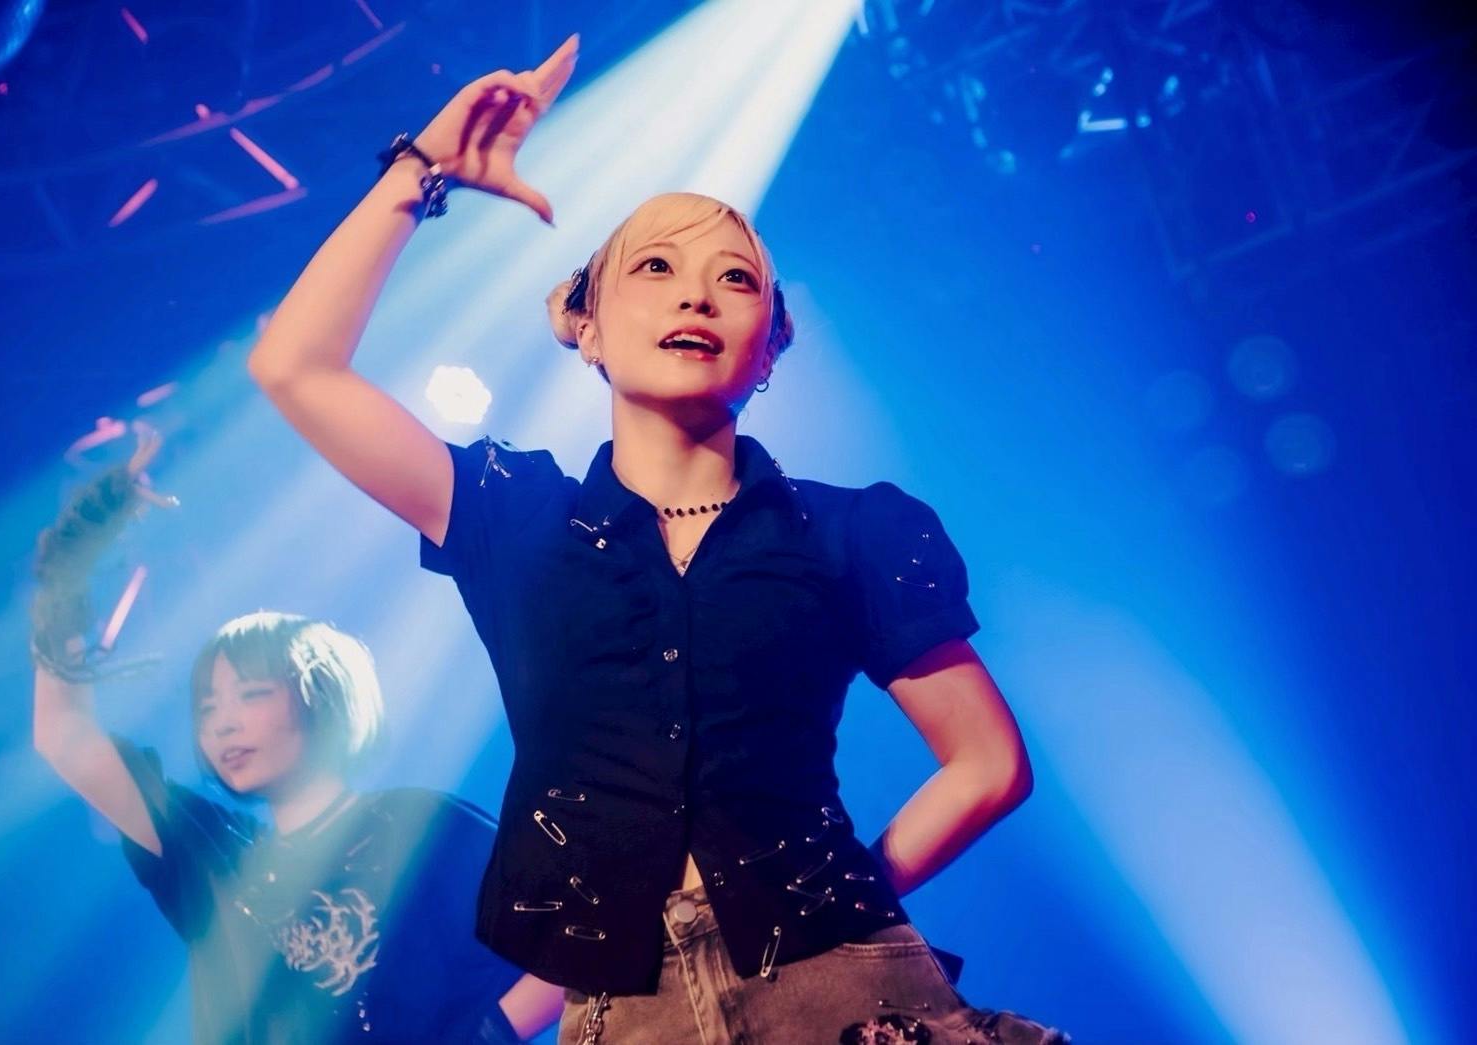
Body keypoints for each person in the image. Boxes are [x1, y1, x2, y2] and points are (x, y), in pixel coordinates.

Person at [248, 34, 1066, 1044]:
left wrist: (836, 900)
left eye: (735, 279)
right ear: (587, 326)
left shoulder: (849, 529)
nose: (694, 294)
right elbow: (295, 368)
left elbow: (987, 761)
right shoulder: (514, 515)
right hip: (629, 1009)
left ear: (769, 348)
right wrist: (419, 171)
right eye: (655, 266)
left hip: (840, 986)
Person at [30, 430, 562, 1044]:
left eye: (251, 694)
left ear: (320, 696)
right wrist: (67, 572)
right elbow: (65, 737)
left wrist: (488, 1034)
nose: (223, 721)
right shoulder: (214, 857)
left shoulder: (420, 826)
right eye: (207, 707)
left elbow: (574, 940)